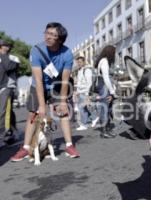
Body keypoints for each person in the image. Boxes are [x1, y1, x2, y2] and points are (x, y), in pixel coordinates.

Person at [10, 22, 80, 161]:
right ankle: (25, 148)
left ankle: (69, 145)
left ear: (60, 39)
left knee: (63, 111)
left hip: (56, 85)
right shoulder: (36, 50)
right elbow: (38, 79)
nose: (48, 37)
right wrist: (42, 106)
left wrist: (62, 101)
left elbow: (65, 80)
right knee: (33, 114)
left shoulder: (67, 54)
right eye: (47, 33)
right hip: (38, 85)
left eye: (53, 35)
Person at [94, 45, 117, 138]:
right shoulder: (104, 61)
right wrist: (112, 91)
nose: (114, 55)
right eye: (114, 52)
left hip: (104, 86)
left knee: (108, 108)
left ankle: (107, 129)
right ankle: (104, 131)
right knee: (105, 108)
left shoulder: (104, 61)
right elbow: (106, 78)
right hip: (104, 86)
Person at [0, 39, 19, 147]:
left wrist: (3, 55)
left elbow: (8, 66)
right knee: (8, 112)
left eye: (3, 46)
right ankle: (12, 132)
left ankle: (3, 136)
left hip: (6, 87)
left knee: (3, 113)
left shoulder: (12, 58)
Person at [75, 56, 93, 131]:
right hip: (80, 92)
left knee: (81, 108)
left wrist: (87, 94)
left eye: (80, 62)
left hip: (84, 92)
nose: (78, 63)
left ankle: (84, 124)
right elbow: (80, 82)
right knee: (84, 108)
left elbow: (89, 83)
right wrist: (77, 91)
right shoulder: (79, 71)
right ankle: (92, 118)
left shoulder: (87, 70)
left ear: (84, 62)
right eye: (77, 62)